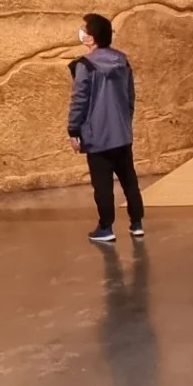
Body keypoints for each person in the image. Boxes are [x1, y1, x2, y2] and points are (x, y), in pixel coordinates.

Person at [67, 13, 145, 246]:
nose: (81, 32)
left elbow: (79, 100)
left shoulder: (85, 66)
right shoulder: (123, 61)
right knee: (129, 179)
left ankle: (106, 227)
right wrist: (124, 122)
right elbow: (130, 96)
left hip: (97, 136)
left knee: (102, 184)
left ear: (91, 38)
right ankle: (137, 223)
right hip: (121, 134)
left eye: (84, 29)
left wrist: (73, 130)